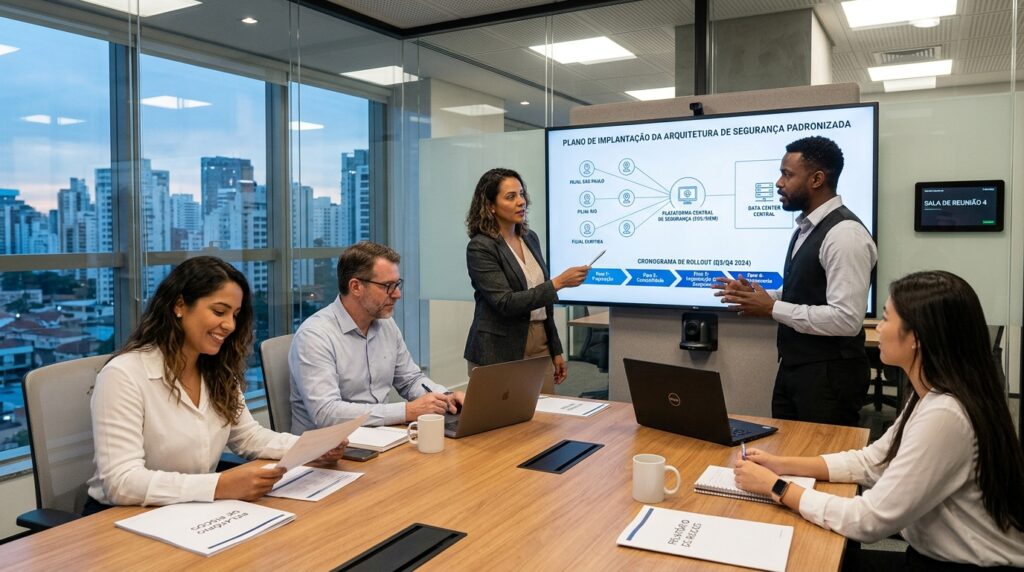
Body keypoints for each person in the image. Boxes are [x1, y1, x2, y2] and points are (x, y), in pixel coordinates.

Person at [733, 271, 1024, 570]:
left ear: (916, 338)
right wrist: (781, 464)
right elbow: (873, 462)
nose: (878, 328)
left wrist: (777, 487)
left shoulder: (946, 415)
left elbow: (867, 521)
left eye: (885, 319)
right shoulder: (934, 393)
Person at [87, 256, 346, 510]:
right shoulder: (123, 375)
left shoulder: (215, 371)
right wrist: (218, 486)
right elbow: (120, 481)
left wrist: (312, 448)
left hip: (191, 510)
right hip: (124, 518)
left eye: (235, 315)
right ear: (179, 305)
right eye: (219, 312)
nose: (230, 325)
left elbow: (248, 437)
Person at [714, 136, 877, 426]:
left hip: (830, 376)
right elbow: (808, 291)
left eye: (787, 174)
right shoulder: (806, 228)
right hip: (795, 369)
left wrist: (772, 309)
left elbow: (847, 319)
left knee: (821, 463)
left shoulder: (845, 235)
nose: (778, 183)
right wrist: (760, 296)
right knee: (789, 456)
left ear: (817, 179)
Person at [290, 241, 464, 432]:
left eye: (397, 284)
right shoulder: (315, 335)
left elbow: (410, 380)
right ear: (356, 287)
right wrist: (406, 411)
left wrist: (445, 397)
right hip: (328, 449)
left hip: (381, 436)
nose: (397, 294)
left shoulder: (385, 323)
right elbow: (326, 413)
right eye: (387, 286)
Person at [464, 168, 590, 392]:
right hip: (499, 347)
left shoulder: (530, 238)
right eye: (511, 197)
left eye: (522, 194)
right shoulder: (480, 247)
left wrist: (556, 349)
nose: (521, 202)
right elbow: (505, 302)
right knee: (502, 421)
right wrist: (558, 283)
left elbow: (543, 304)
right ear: (490, 205)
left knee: (546, 418)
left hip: (540, 339)